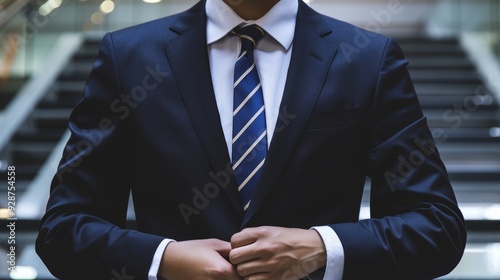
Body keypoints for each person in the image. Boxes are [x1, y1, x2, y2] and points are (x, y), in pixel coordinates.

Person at [35, 0, 467, 279]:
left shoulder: (367, 59)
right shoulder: (128, 58)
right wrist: (163, 259)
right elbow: (63, 230)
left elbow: (437, 228)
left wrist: (320, 248)